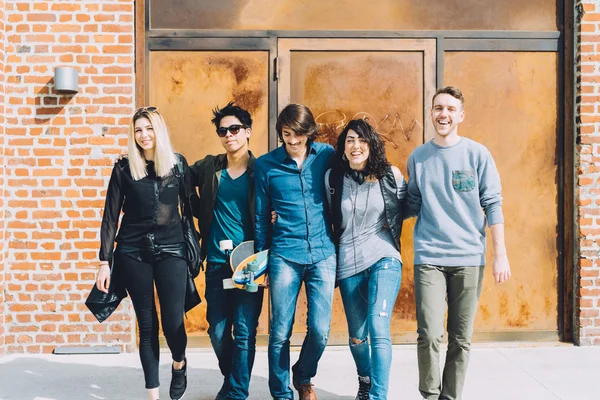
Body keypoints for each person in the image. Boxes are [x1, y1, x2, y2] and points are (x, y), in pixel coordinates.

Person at [405, 86, 511, 400]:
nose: (444, 114)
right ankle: (430, 394)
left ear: (460, 116)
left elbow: (492, 203)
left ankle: (450, 397)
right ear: (431, 114)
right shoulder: (419, 157)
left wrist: (500, 255)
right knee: (429, 334)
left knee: (461, 338)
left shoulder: (477, 154)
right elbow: (411, 203)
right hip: (430, 257)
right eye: (439, 108)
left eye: (451, 109)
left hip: (469, 258)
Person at [95, 107, 191, 400]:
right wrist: (104, 262)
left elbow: (192, 207)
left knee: (173, 322)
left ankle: (179, 362)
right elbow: (110, 216)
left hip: (172, 250)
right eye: (138, 130)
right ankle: (153, 395)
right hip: (133, 251)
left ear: (158, 131)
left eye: (149, 129)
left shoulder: (178, 165)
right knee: (146, 325)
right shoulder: (124, 168)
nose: (143, 135)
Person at [254, 104, 336, 400]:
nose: (293, 140)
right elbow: (262, 217)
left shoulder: (326, 155)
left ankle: (303, 375)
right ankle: (281, 392)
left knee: (320, 329)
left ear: (309, 133)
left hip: (323, 252)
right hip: (285, 254)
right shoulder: (266, 165)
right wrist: (262, 262)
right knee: (279, 332)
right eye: (287, 134)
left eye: (299, 134)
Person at [325, 119, 406, 400]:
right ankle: (365, 379)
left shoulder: (391, 175)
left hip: (384, 257)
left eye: (361, 140)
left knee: (378, 326)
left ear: (371, 145)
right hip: (349, 264)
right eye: (349, 140)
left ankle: (377, 396)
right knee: (358, 337)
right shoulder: (333, 180)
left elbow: (406, 206)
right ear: (343, 148)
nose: (356, 146)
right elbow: (321, 214)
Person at [188, 102, 264, 400]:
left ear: (247, 132)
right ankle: (234, 380)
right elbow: (175, 172)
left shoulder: (262, 170)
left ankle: (235, 392)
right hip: (218, 263)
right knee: (217, 332)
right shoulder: (209, 167)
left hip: (250, 264)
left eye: (234, 129)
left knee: (245, 332)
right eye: (223, 131)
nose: (229, 135)